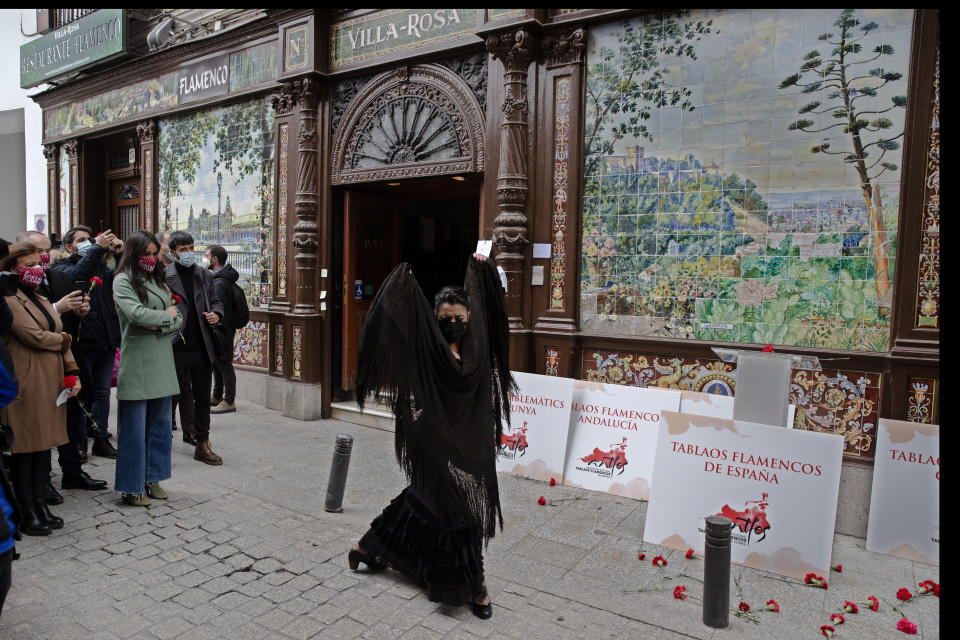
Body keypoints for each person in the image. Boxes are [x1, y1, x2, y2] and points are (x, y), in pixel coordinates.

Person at [350, 253, 514, 620]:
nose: (453, 324)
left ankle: (367, 546)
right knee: (463, 514)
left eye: (460, 318)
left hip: (468, 437)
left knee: (425, 499)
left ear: (469, 318)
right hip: (431, 437)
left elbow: (492, 308)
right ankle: (476, 586)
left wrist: (483, 269)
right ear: (435, 318)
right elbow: (394, 324)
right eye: (445, 319)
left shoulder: (476, 347)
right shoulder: (427, 349)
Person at [15, 231, 107, 493]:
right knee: (43, 421)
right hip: (37, 361)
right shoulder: (17, 285)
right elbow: (28, 322)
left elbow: (75, 319)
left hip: (68, 355)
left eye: (46, 250)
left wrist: (81, 311)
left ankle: (72, 470)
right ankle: (42, 481)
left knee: (74, 415)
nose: (42, 256)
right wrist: (57, 308)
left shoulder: (58, 275)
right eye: (35, 251)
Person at [0, 242, 81, 535]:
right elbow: (33, 335)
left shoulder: (40, 296)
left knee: (43, 446)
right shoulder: (9, 300)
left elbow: (58, 332)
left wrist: (71, 370)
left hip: (50, 382)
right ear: (12, 268)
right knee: (26, 450)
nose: (36, 269)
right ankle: (25, 511)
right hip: (27, 381)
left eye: (38, 263)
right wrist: (63, 341)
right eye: (29, 264)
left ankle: (39, 504)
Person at [112, 231, 182, 507]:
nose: (152, 259)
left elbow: (179, 316)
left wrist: (161, 321)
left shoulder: (158, 280)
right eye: (146, 255)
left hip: (163, 362)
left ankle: (154, 478)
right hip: (138, 362)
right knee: (133, 429)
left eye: (155, 254)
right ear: (134, 254)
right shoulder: (122, 280)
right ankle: (131, 485)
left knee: (161, 427)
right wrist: (165, 317)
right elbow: (136, 314)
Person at [51, 225, 124, 460]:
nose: (89, 242)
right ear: (70, 246)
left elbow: (120, 277)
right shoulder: (61, 267)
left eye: (90, 239)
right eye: (82, 240)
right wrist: (96, 249)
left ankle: (100, 436)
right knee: (83, 393)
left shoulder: (101, 264)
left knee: (103, 392)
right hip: (83, 341)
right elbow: (77, 275)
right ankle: (80, 439)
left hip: (105, 336)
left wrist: (119, 253)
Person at [165, 231, 224, 465]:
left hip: (201, 346)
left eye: (191, 247)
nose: (189, 253)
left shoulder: (203, 275)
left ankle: (202, 443)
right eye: (183, 249)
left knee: (202, 397)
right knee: (170, 396)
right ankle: (162, 440)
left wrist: (217, 314)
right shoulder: (164, 276)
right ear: (173, 253)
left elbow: (216, 300)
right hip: (175, 345)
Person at [205, 245, 240, 414]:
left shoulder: (219, 283)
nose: (204, 259)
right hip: (223, 329)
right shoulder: (222, 279)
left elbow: (218, 309)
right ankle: (217, 395)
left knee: (224, 363)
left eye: (206, 256)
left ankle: (229, 400)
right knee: (217, 362)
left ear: (214, 259)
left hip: (222, 330)